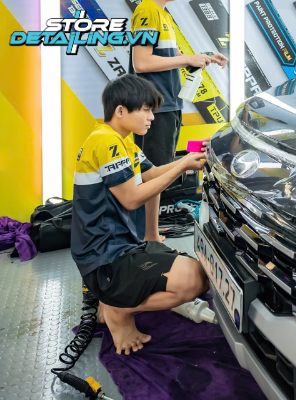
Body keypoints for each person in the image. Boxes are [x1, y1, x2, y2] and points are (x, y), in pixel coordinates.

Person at [71, 75, 210, 355]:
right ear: (121, 111)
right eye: (146, 110)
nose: (151, 118)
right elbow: (132, 198)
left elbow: (152, 175)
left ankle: (113, 299)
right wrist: (182, 166)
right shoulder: (105, 141)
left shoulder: (124, 144)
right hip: (105, 258)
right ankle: (116, 309)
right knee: (193, 279)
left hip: (122, 247)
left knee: (200, 273)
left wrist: (187, 160)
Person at [129, 0, 228, 242]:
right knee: (153, 172)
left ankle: (149, 232)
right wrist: (187, 61)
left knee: (158, 168)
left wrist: (201, 57)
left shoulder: (163, 14)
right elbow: (141, 62)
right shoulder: (147, 10)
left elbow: (169, 56)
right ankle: (149, 236)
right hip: (155, 107)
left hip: (168, 104)